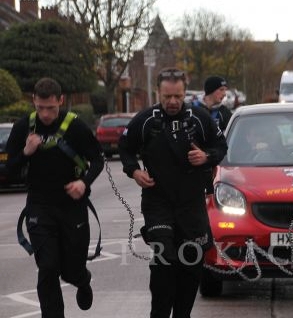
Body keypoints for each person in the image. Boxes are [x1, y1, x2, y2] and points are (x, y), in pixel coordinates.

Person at [118, 67, 228, 318]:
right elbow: (124, 148)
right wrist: (134, 171)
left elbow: (221, 146)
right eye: (167, 96)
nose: (172, 102)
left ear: (185, 92)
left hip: (191, 204)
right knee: (164, 260)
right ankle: (159, 312)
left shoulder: (200, 118)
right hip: (158, 202)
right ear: (158, 93)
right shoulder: (145, 120)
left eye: (178, 96)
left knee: (191, 264)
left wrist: (206, 156)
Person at [6, 77, 104, 316]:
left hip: (72, 207)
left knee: (72, 269)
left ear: (60, 101)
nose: (46, 114)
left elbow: (98, 160)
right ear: (34, 101)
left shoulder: (76, 127)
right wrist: (26, 152)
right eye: (40, 108)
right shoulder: (23, 128)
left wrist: (84, 182)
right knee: (48, 267)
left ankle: (82, 280)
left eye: (51, 108)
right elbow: (9, 170)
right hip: (40, 207)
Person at [191, 75, 232, 194]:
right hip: (193, 166)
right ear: (211, 91)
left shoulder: (225, 113)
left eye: (225, 89)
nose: (225, 94)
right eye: (221, 90)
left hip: (217, 165)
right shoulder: (192, 109)